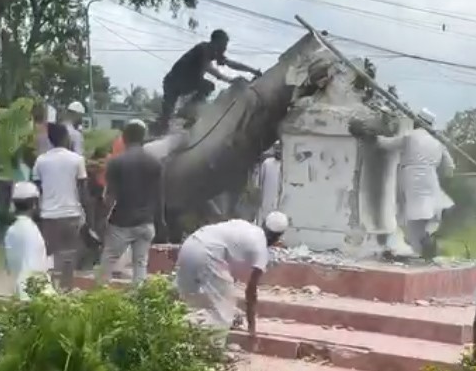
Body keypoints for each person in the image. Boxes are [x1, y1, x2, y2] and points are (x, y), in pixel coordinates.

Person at [175, 211, 288, 338]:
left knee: (187, 302)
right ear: (278, 237)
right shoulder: (261, 250)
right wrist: (252, 328)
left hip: (190, 244)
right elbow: (251, 293)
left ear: (263, 223)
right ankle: (211, 351)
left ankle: (177, 342)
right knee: (223, 314)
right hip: (209, 255)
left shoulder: (242, 225)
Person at [376, 109, 454, 257]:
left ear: (417, 121)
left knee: (411, 216)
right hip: (431, 179)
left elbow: (386, 144)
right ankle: (424, 244)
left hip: (412, 178)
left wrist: (374, 136)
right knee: (427, 211)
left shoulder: (411, 136)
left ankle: (421, 244)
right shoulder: (437, 142)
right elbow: (450, 167)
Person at [159, 29, 262, 132]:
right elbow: (209, 68)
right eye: (224, 45)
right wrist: (229, 80)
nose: (225, 48)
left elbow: (231, 63)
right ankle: (188, 112)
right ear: (216, 42)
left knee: (167, 117)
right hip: (173, 82)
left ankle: (188, 116)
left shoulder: (213, 52)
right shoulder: (203, 49)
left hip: (182, 82)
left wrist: (252, 70)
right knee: (207, 86)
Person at [100, 120, 162, 284]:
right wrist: (160, 221)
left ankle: (98, 300)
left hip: (122, 223)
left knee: (107, 264)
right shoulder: (155, 163)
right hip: (146, 223)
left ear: (124, 138)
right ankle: (139, 302)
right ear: (144, 138)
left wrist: (103, 219)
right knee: (140, 265)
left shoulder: (116, 162)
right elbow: (159, 195)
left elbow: (109, 197)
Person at [33, 122, 91, 290]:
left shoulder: (41, 161)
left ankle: (49, 289)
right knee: (69, 255)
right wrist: (88, 216)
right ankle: (66, 290)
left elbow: (37, 189)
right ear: (66, 138)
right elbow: (83, 190)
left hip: (48, 215)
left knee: (50, 256)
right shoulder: (76, 160)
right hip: (71, 214)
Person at [4, 181, 53, 299]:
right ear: (34, 203)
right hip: (32, 296)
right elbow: (34, 269)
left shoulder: (12, 230)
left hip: (18, 292)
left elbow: (11, 267)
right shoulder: (31, 231)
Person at [257, 141, 282, 224]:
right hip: (267, 199)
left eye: (280, 148)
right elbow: (259, 181)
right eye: (276, 148)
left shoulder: (286, 165)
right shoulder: (267, 163)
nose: (278, 151)